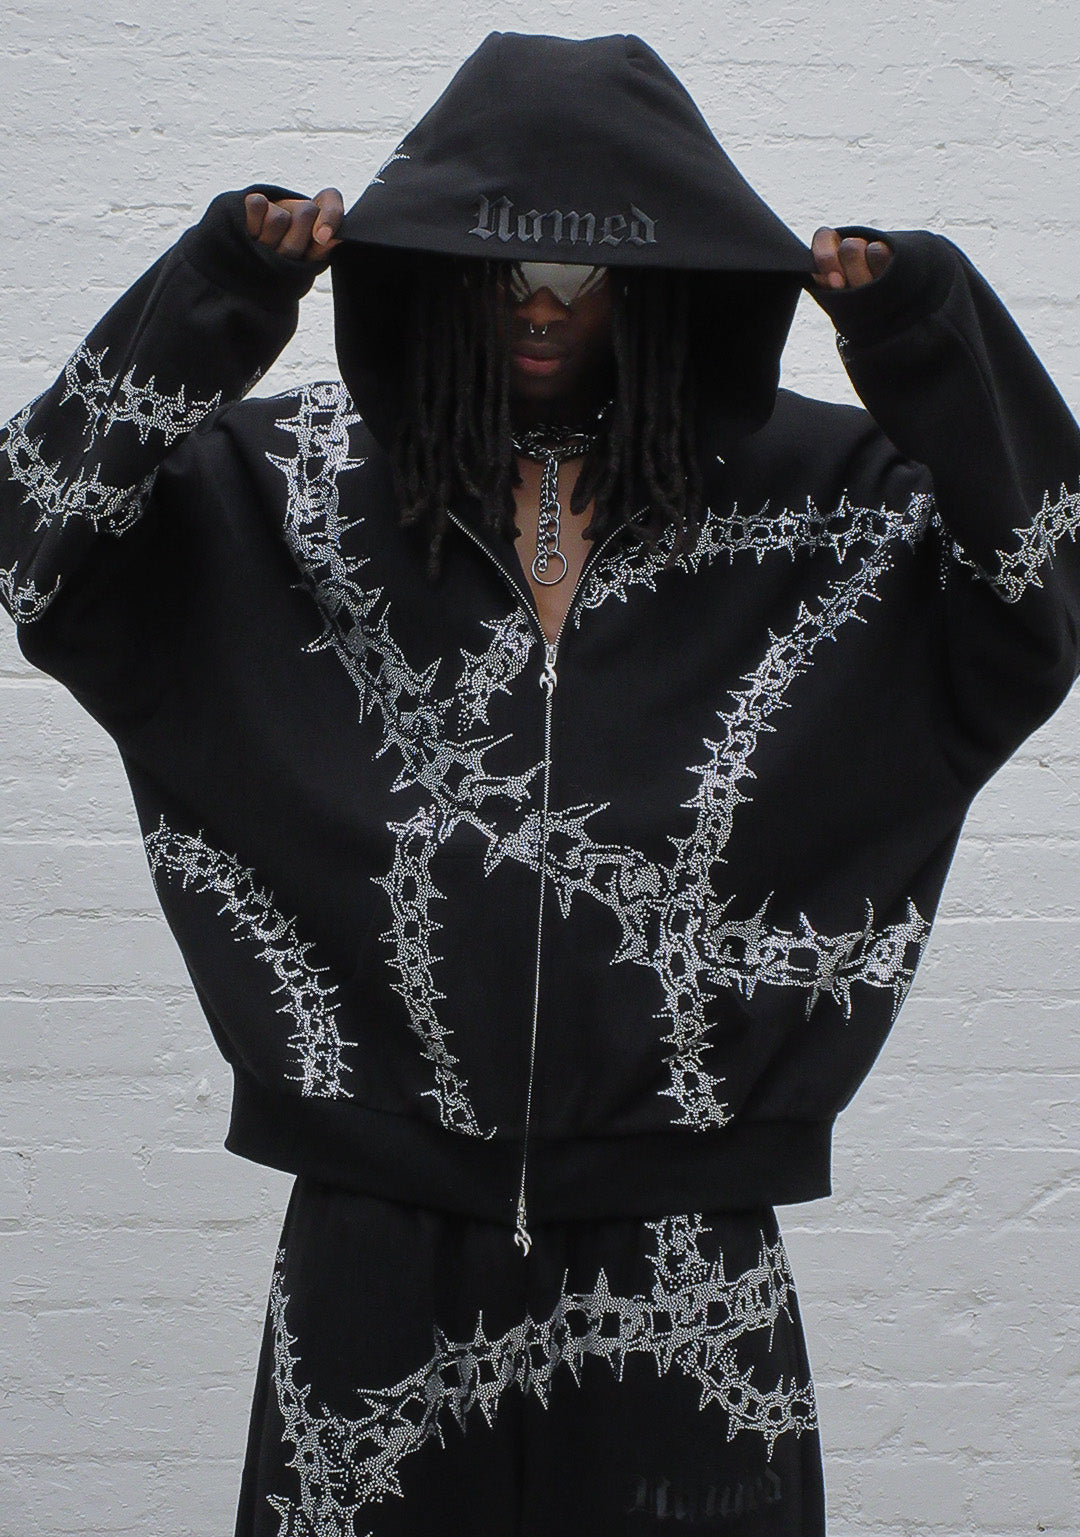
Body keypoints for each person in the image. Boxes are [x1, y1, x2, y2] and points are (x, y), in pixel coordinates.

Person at [2, 29, 1078, 1537]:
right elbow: (39, 548)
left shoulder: (824, 502)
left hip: (688, 1264)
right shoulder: (286, 486)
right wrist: (218, 296)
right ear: (433, 268)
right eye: (506, 267)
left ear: (667, 276)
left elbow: (1042, 600)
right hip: (370, 1243)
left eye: (589, 272)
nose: (546, 305)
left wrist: (926, 332)